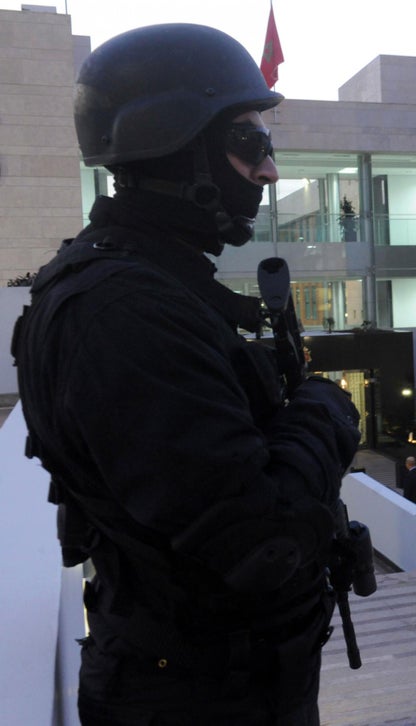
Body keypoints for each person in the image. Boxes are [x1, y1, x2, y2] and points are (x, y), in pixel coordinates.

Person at [11, 24, 363, 725]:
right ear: (175, 145)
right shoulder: (123, 312)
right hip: (200, 695)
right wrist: (326, 408)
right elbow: (266, 544)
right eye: (246, 141)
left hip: (227, 678)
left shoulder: (147, 286)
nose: (267, 170)